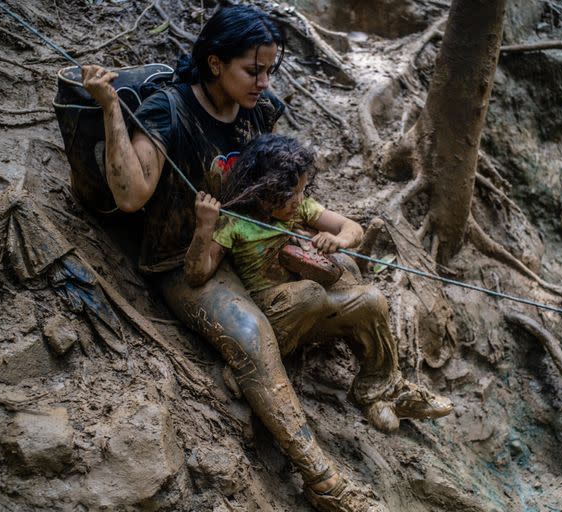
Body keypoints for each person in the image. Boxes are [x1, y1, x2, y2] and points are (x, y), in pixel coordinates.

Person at [80, 6, 445, 511]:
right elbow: (131, 194)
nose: (263, 81)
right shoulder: (171, 111)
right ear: (213, 64)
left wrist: (315, 230)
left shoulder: (259, 109)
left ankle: (382, 383)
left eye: (269, 70)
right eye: (253, 70)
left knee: (352, 277)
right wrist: (111, 109)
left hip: (257, 239)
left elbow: (280, 179)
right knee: (251, 336)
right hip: (191, 256)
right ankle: (324, 481)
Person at [185, 133, 454, 508]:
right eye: (288, 195)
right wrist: (204, 226)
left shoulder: (301, 208)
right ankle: (261, 359)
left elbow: (354, 230)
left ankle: (381, 388)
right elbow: (197, 274)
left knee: (372, 300)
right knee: (310, 294)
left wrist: (337, 241)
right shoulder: (234, 223)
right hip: (273, 310)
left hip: (309, 307)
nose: (297, 201)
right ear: (262, 193)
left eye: (301, 192)